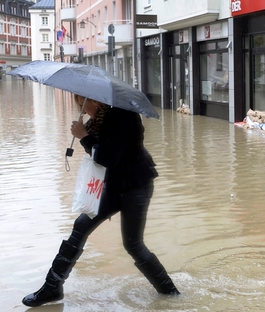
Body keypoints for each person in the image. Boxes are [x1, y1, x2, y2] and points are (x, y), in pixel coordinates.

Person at [22, 94, 179, 307]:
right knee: (81, 226)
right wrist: (85, 133)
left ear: (94, 101)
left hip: (135, 185)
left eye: (81, 102)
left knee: (133, 244)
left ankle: (170, 293)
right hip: (113, 186)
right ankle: (52, 288)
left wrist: (84, 135)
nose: (80, 107)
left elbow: (108, 157)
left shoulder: (123, 116)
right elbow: (100, 155)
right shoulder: (98, 120)